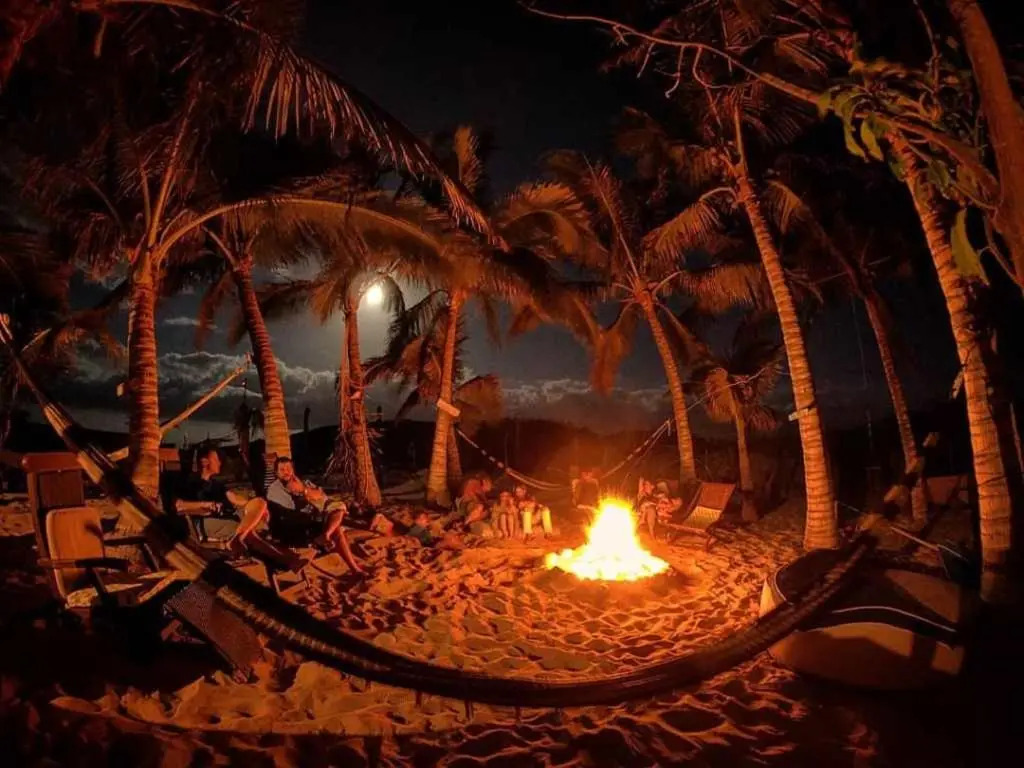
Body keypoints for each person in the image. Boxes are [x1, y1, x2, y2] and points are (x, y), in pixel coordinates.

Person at [234, 456, 364, 575]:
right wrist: (303, 496)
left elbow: (321, 496)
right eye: (282, 470)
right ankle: (352, 565)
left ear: (293, 470)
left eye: (288, 469)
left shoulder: (303, 483)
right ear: (276, 473)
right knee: (337, 530)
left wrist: (303, 490)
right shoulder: (274, 490)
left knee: (338, 509)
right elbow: (293, 511)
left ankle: (330, 540)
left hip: (311, 521)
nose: (286, 472)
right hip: (294, 529)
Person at [175, 446, 262, 541]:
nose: (220, 463)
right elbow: (179, 505)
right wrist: (206, 504)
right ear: (205, 462)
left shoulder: (215, 484)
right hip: (202, 521)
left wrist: (253, 504)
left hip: (221, 517)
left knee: (254, 516)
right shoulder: (192, 482)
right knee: (240, 528)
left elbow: (234, 498)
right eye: (216, 459)